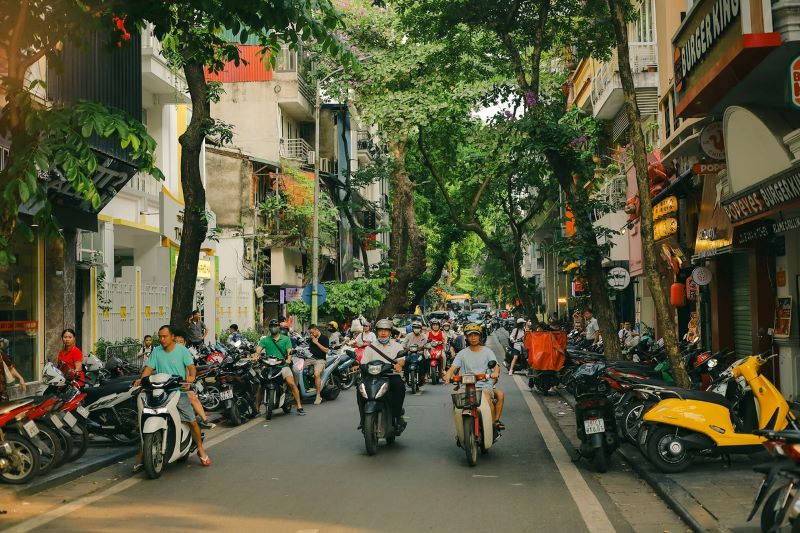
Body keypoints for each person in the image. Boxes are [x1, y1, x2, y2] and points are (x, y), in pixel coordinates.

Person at [134, 324, 211, 470]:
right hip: (159, 392)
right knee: (143, 420)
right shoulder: (156, 351)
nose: (162, 339)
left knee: (192, 421)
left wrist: (190, 378)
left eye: (165, 336)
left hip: (178, 391)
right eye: (160, 337)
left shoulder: (182, 350)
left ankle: (200, 448)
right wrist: (141, 380)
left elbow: (191, 368)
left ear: (172, 337)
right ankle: (143, 452)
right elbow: (148, 369)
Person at [444, 323, 505, 431]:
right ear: (466, 338)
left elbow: (496, 366)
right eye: (470, 335)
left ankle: (492, 424)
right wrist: (448, 375)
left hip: (484, 384)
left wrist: (495, 372)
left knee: (487, 398)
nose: (473, 338)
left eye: (475, 335)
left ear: (480, 336)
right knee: (456, 404)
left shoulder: (487, 351)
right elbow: (453, 368)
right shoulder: (462, 353)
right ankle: (460, 431)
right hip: (465, 386)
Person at [357, 318, 406, 429]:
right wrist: (359, 366)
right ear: (377, 331)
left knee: (400, 387)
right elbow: (364, 362)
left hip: (391, 376)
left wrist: (399, 365)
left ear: (390, 332)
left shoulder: (396, 345)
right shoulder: (370, 347)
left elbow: (402, 359)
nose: (383, 333)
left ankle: (396, 418)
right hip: (372, 378)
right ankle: (363, 419)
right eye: (380, 330)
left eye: (386, 330)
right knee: (360, 390)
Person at [255, 319, 305, 415]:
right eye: (272, 326)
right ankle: (256, 409)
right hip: (269, 366)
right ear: (269, 328)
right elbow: (258, 350)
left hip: (283, 366)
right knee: (260, 386)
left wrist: (288, 359)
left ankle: (299, 406)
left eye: (275, 326)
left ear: (279, 327)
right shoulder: (265, 340)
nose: (273, 328)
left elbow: (289, 351)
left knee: (291, 383)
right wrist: (255, 356)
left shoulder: (286, 339)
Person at [173, 330, 215, 430]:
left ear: (184, 343)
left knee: (192, 397)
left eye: (180, 342)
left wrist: (188, 382)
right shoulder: (166, 353)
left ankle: (205, 421)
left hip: (183, 384)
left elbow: (189, 369)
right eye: (176, 341)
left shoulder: (186, 353)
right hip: (169, 385)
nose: (178, 344)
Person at [307, 324, 329, 405]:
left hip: (320, 360)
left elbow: (326, 350)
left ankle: (318, 395)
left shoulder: (324, 338)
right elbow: (310, 350)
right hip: (310, 359)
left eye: (312, 333)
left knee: (316, 374)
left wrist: (316, 343)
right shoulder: (311, 339)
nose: (311, 334)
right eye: (310, 333)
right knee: (297, 368)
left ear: (317, 330)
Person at [403, 321, 428, 386]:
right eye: (415, 327)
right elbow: (403, 344)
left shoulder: (424, 336)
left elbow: (427, 344)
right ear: (412, 328)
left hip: (420, 354)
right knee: (406, 362)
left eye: (418, 327)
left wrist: (426, 346)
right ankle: (405, 377)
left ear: (420, 328)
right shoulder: (408, 335)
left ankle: (425, 376)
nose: (416, 329)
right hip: (410, 354)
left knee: (425, 361)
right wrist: (406, 348)